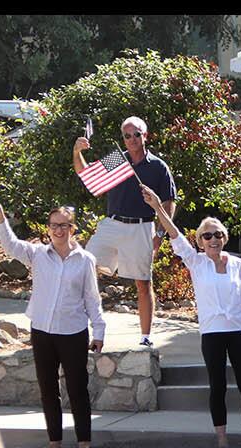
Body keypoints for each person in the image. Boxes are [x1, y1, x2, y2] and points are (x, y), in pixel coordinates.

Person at [141, 184, 241, 448]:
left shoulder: (237, 265)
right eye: (207, 235)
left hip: (238, 331)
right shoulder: (195, 262)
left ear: (224, 237)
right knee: (218, 386)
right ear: (200, 241)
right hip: (212, 333)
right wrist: (158, 208)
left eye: (217, 235)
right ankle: (222, 442)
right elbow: (174, 233)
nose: (213, 239)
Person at [0, 199, 106, 448]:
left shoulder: (85, 260)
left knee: (77, 388)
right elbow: (11, 245)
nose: (58, 230)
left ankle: (84, 443)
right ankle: (54, 443)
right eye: (53, 226)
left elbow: (92, 299)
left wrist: (99, 331)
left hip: (73, 331)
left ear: (73, 228)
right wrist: (0, 218)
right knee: (48, 388)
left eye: (63, 225)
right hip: (42, 329)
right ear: (48, 228)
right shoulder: (38, 254)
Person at [73, 116, 177, 348]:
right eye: (127, 135)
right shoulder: (117, 160)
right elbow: (86, 174)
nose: (132, 139)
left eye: (137, 134)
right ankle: (79, 331)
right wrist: (77, 151)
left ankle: (145, 337)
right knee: (82, 267)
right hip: (112, 224)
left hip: (142, 227)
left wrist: (160, 234)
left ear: (145, 136)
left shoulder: (159, 166)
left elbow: (169, 202)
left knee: (143, 283)